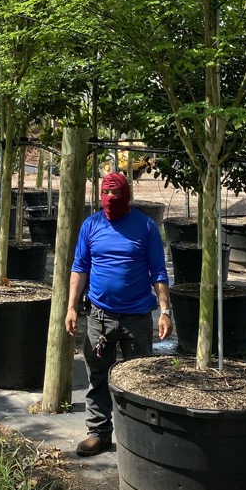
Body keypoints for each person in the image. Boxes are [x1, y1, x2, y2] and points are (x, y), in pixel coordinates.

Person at [65, 171, 172, 456]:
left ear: (127, 196)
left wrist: (165, 310)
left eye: (116, 194)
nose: (110, 199)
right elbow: (80, 268)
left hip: (136, 318)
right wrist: (72, 307)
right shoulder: (92, 225)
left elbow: (159, 272)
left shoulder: (146, 227)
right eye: (106, 194)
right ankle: (99, 433)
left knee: (138, 378)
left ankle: (139, 439)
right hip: (100, 317)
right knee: (98, 376)